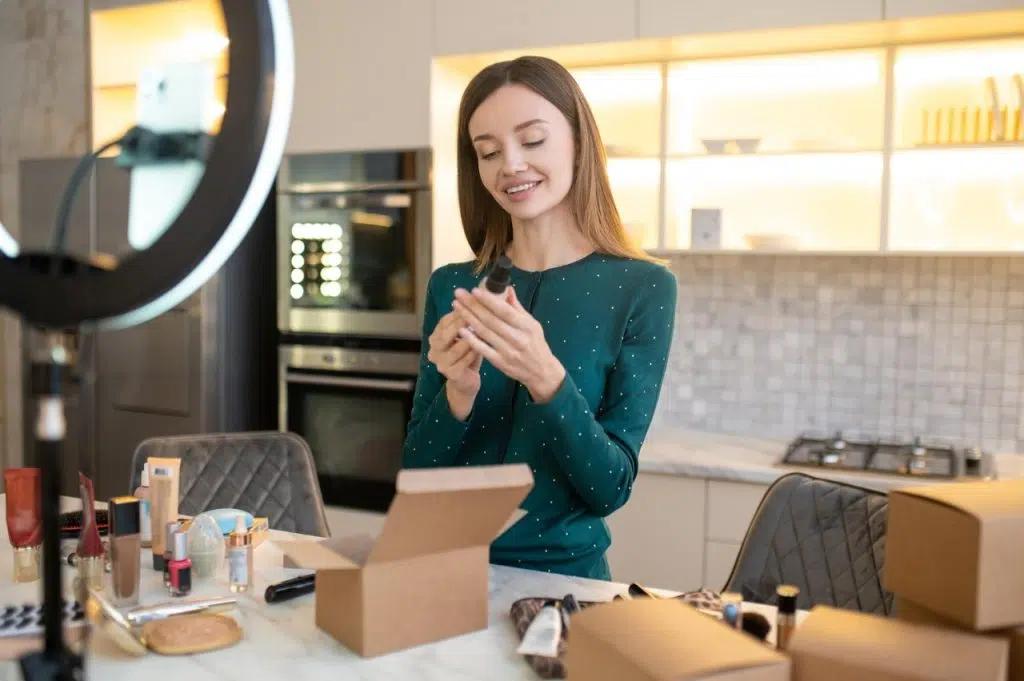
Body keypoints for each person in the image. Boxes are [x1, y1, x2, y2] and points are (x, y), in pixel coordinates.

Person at [401, 55, 677, 581]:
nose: (510, 165)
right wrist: (456, 392)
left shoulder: (643, 288)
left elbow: (610, 487)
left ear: (578, 142)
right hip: (442, 573)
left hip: (564, 584)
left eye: (532, 141)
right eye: (488, 151)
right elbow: (418, 474)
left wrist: (544, 376)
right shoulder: (452, 286)